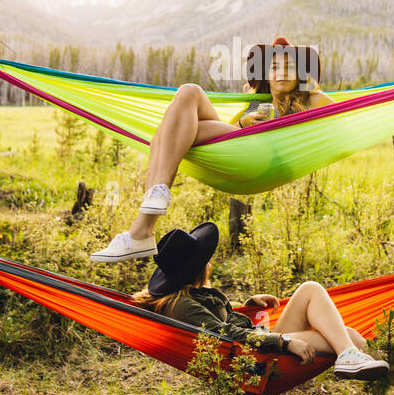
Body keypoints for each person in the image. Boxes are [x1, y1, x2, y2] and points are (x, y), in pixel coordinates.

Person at [131, 221, 394, 395]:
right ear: (196, 266)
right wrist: (284, 340)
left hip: (255, 345)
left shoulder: (185, 297)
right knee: (349, 333)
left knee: (320, 301)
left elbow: (219, 321)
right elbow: (223, 337)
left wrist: (245, 305)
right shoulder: (180, 305)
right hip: (255, 362)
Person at [91, 36, 332, 262]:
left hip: (267, 162)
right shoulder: (257, 104)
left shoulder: (313, 100)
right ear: (266, 74)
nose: (281, 73)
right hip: (242, 152)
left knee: (169, 130)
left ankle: (144, 227)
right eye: (274, 67)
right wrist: (242, 123)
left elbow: (347, 116)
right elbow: (222, 137)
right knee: (185, 99)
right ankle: (143, 226)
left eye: (289, 66)